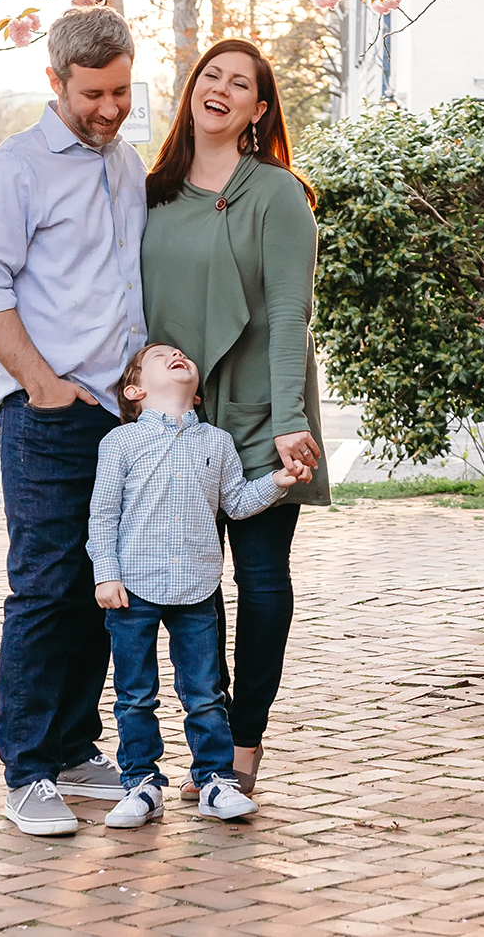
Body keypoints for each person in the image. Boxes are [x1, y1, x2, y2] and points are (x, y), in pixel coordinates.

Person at [0, 6, 147, 837]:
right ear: (55, 83)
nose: (108, 109)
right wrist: (41, 383)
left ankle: (73, 747)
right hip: (48, 414)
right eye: (92, 94)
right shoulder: (16, 171)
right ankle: (27, 769)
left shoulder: (126, 162)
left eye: (121, 91)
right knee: (41, 589)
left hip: (119, 413)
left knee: (97, 587)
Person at [141, 38, 329, 801]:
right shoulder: (150, 191)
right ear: (192, 90)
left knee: (258, 580)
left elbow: (291, 313)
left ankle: (242, 744)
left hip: (257, 416)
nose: (220, 88)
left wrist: (288, 419)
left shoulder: (277, 192)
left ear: (258, 109)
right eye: (210, 75)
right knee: (188, 587)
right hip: (177, 422)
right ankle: (207, 742)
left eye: (239, 83)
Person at [87, 342, 311, 828]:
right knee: (134, 694)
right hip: (133, 591)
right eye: (160, 355)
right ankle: (141, 785)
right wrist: (105, 573)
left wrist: (277, 482)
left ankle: (215, 781)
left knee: (205, 692)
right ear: (136, 388)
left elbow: (236, 502)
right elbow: (103, 515)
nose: (176, 355)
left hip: (196, 590)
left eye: (182, 354)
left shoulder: (217, 442)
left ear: (198, 393)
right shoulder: (120, 443)